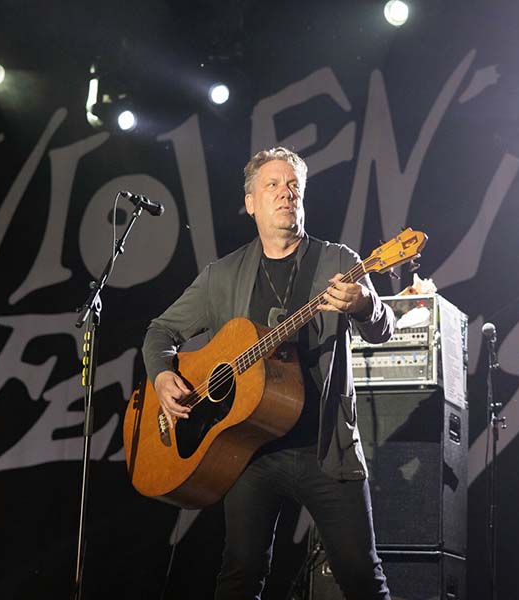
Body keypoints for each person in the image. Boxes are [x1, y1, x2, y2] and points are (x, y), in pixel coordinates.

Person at [142, 147, 394, 599]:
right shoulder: (222, 275)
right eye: (273, 185)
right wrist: (162, 376)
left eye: (294, 185)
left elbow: (382, 330)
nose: (285, 193)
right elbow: (160, 331)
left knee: (360, 574)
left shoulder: (338, 262)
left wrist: (366, 304)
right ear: (251, 202)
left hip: (324, 447)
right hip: (249, 449)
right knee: (239, 576)